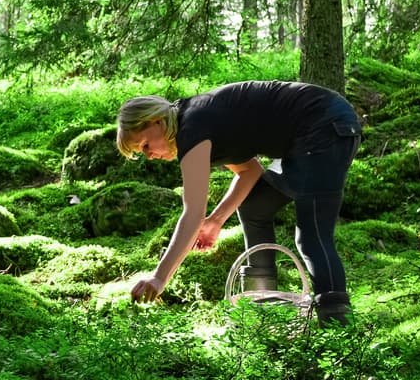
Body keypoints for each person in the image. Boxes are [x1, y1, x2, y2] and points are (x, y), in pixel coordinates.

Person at [116, 80, 362, 325]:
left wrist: (159, 279)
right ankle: (263, 305)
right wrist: (215, 221)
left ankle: (338, 328)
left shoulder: (192, 127)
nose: (149, 155)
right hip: (313, 135)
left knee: (312, 235)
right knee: (256, 205)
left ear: (156, 121)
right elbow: (250, 172)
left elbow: (192, 214)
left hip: (324, 127)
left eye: (145, 145)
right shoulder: (198, 121)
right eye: (141, 152)